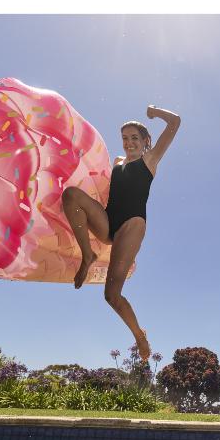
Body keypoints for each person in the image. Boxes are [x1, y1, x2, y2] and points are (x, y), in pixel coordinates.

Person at [61, 105, 181, 360]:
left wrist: (154, 112)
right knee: (70, 195)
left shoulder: (150, 160)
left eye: (134, 138)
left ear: (145, 141)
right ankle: (88, 255)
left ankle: (139, 335)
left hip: (131, 224)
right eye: (125, 138)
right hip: (108, 220)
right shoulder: (117, 162)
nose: (129, 143)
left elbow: (175, 122)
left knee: (111, 295)